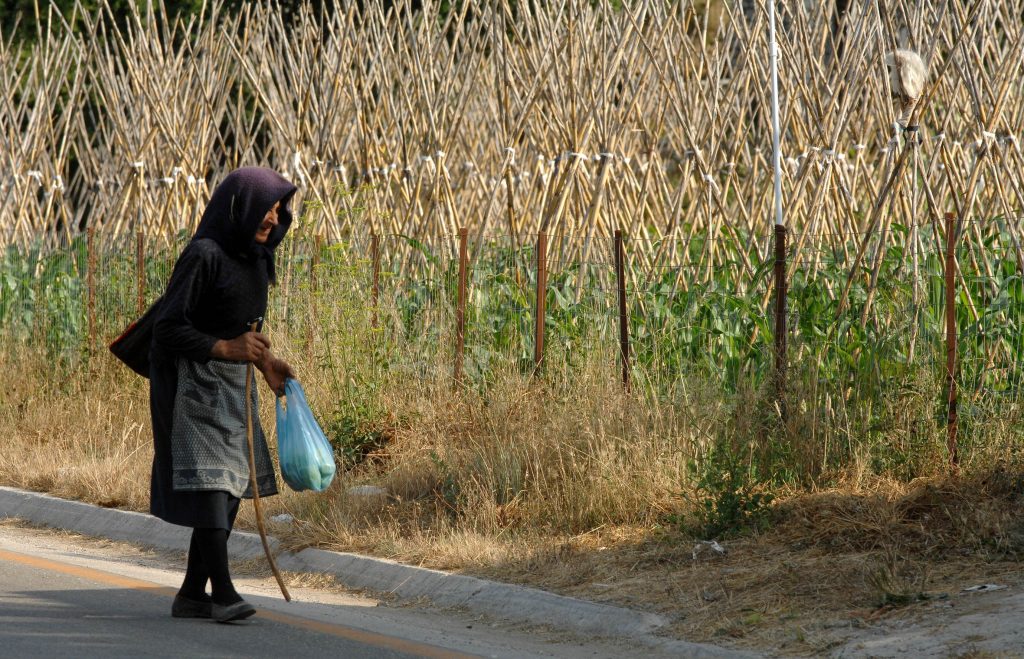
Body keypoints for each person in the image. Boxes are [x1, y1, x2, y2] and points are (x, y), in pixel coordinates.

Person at [149, 167, 297, 623]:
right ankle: (224, 594)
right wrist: (224, 348)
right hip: (191, 382)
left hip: (233, 384)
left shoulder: (257, 259)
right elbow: (168, 327)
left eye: (278, 209)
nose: (272, 218)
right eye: (265, 208)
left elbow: (242, 328)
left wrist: (264, 362)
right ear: (238, 206)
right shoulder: (203, 255)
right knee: (214, 486)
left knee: (231, 489)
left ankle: (193, 592)